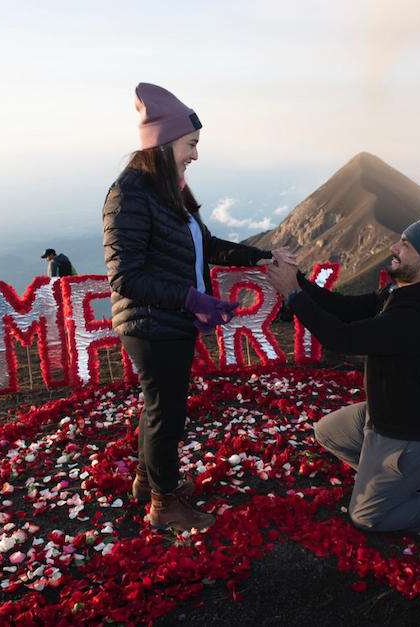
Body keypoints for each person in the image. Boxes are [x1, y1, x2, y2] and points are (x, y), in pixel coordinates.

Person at [102, 82, 293, 532]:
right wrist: (190, 297)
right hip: (151, 326)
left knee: (160, 409)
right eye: (191, 145)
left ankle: (150, 482)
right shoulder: (128, 194)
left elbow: (203, 245)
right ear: (164, 143)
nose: (195, 154)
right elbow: (124, 276)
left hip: (171, 320)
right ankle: (165, 504)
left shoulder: (170, 188)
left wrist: (261, 255)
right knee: (167, 414)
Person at [266, 215, 420, 539]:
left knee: (367, 518)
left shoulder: (418, 315)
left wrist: (293, 295)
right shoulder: (401, 293)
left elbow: (342, 338)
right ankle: (398, 480)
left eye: (406, 244)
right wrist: (298, 281)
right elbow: (343, 308)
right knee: (327, 432)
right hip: (386, 417)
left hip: (414, 436)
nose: (393, 247)